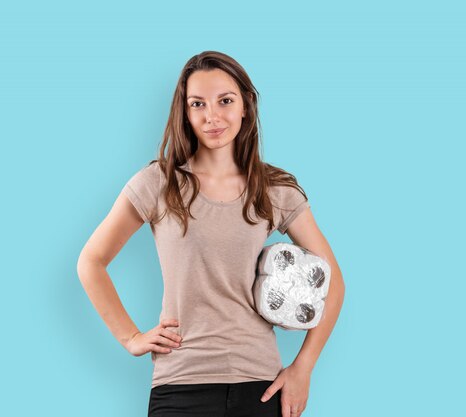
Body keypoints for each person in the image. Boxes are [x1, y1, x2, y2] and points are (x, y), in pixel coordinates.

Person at [77, 51, 346, 417]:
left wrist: (304, 368)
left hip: (260, 387)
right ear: (185, 112)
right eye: (198, 104)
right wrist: (131, 337)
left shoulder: (273, 190)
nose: (212, 116)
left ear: (246, 106)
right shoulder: (159, 183)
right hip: (180, 384)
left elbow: (334, 282)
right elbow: (91, 262)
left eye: (225, 101)